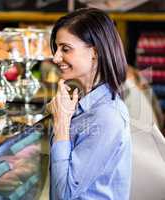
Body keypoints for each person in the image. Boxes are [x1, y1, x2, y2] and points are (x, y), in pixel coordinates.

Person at [48, 8, 131, 200]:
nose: (55, 58)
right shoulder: (86, 102)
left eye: (65, 49)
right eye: (57, 48)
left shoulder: (106, 116)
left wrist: (61, 124)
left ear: (94, 52)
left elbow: (64, 194)